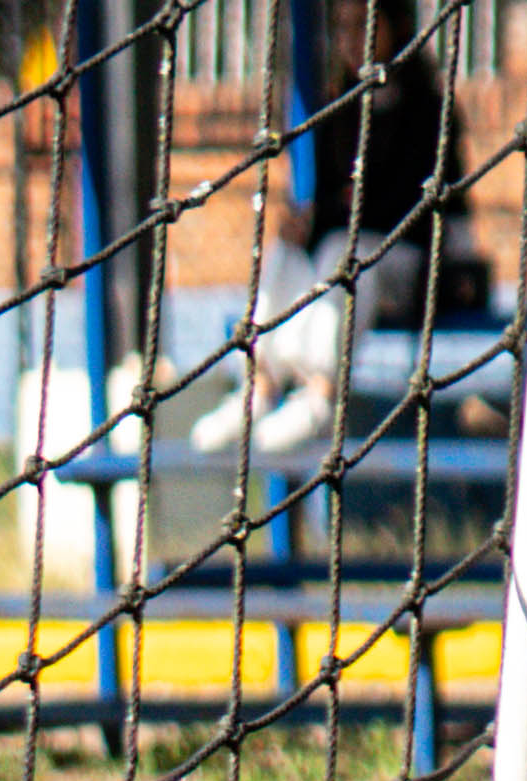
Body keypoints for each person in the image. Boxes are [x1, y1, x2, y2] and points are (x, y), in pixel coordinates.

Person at [203, 0, 473, 456]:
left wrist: (335, 219)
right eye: (344, 29)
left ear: (397, 27)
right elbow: (332, 198)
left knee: (343, 256)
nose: (352, 40)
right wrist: (305, 225)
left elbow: (408, 207)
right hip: (344, 250)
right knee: (292, 255)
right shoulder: (342, 106)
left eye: (365, 27)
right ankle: (261, 386)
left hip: (404, 260)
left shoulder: (427, 108)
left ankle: (321, 395)